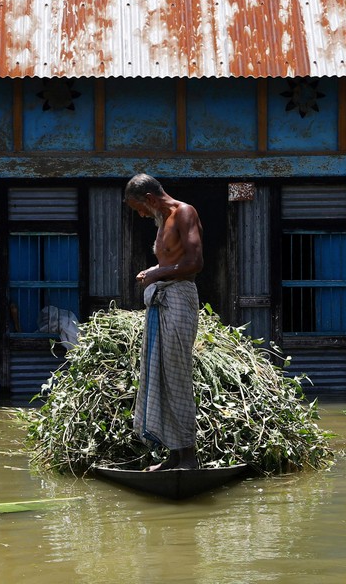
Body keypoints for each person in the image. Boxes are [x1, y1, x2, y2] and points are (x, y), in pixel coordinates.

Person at [123, 173, 203, 471]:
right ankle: (174, 455)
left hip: (180, 298)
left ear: (151, 200)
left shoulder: (184, 212)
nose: (142, 215)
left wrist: (156, 275)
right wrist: (155, 269)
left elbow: (195, 263)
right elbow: (172, 262)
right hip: (164, 300)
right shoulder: (163, 222)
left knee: (176, 375)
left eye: (140, 209)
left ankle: (189, 457)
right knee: (159, 373)